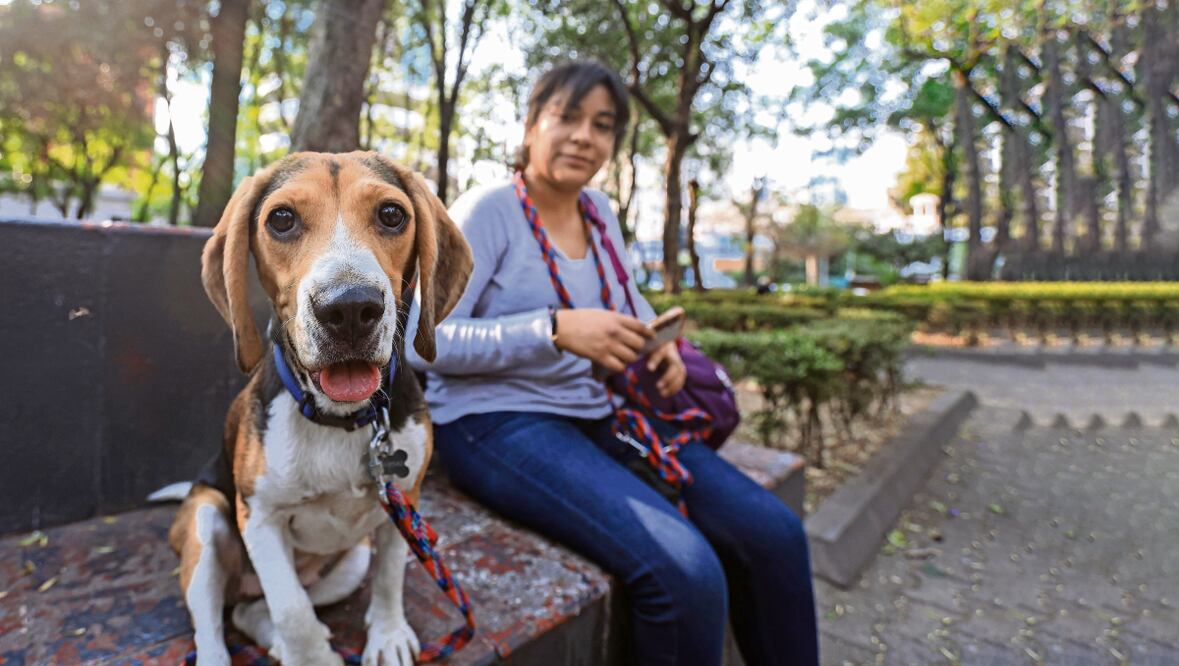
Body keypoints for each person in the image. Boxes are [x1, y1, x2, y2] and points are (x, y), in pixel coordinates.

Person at [408, 60, 818, 666]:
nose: (583, 137)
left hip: (600, 412)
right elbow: (424, 339)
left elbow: (628, 298)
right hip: (496, 423)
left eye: (602, 126)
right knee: (687, 573)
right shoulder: (487, 210)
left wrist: (664, 346)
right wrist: (551, 330)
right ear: (530, 126)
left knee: (775, 535)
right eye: (567, 117)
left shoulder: (598, 212)